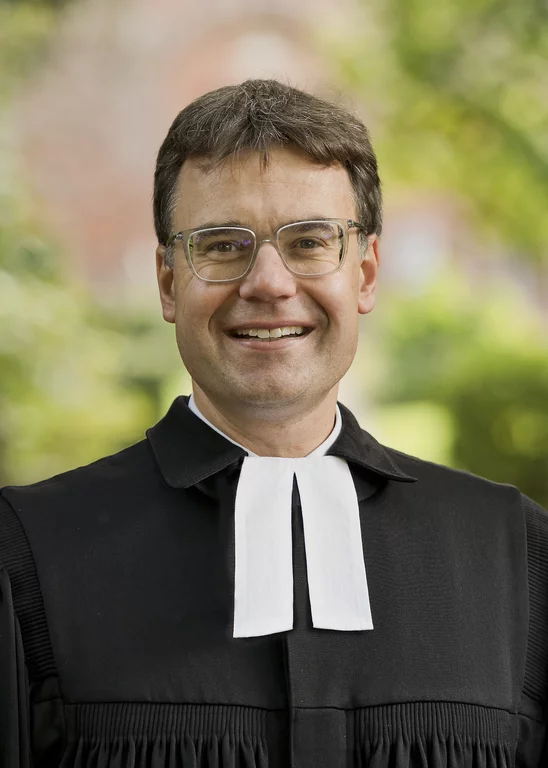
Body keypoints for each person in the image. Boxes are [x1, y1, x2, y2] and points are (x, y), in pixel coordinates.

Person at [0, 79, 547, 768]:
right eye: (222, 244)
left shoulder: (517, 554)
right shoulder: (25, 555)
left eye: (311, 241)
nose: (268, 283)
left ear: (365, 273)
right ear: (168, 282)